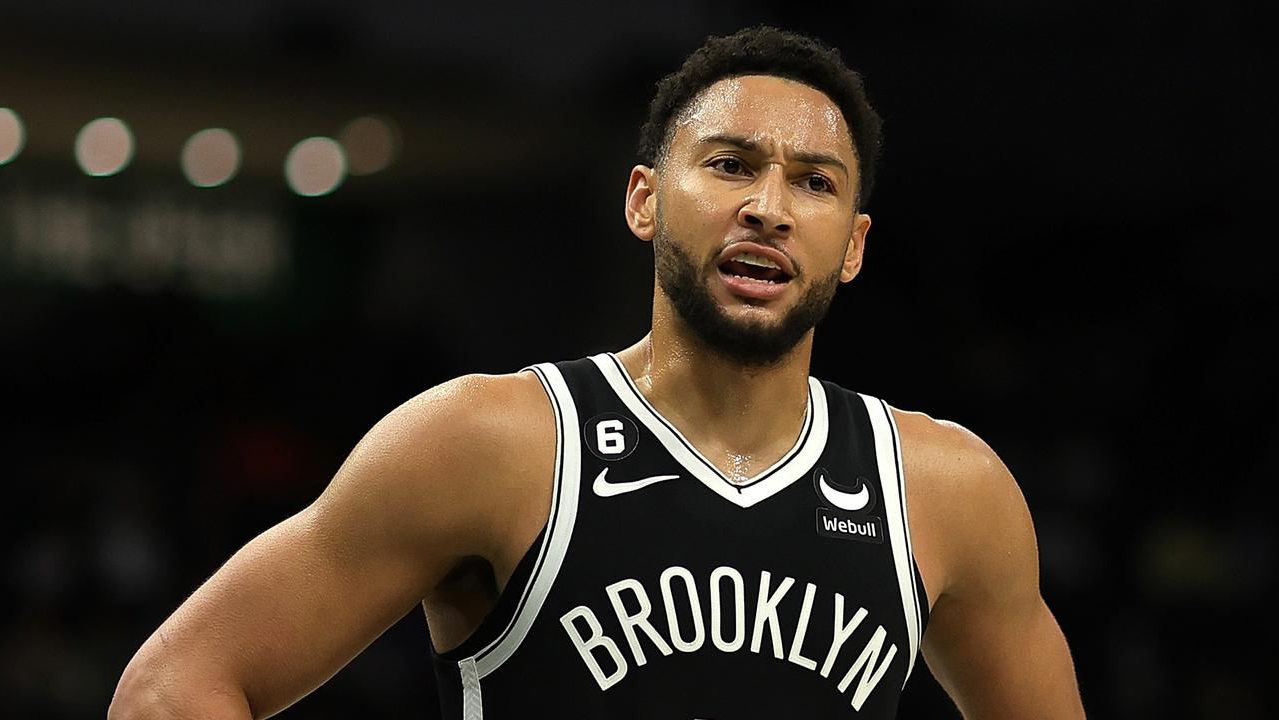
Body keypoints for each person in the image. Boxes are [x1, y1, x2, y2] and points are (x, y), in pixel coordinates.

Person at [109, 25, 1086, 719]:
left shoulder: (945, 488)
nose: (769, 207)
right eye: (731, 164)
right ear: (643, 202)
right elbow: (173, 690)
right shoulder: (488, 443)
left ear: (853, 245)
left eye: (813, 181)